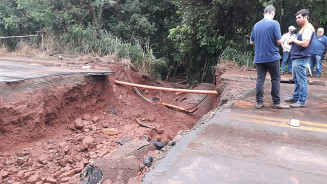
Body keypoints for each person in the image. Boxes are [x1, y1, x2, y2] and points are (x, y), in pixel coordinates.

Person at [250, 5, 289, 109]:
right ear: (272, 13)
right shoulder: (274, 23)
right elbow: (278, 41)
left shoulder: (256, 25)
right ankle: (276, 102)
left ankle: (259, 102)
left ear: (264, 13)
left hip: (259, 58)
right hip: (272, 57)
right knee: (275, 79)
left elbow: (252, 42)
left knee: (260, 80)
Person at [285, 9, 315, 108]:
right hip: (297, 58)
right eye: (296, 18)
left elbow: (305, 43)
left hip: (301, 58)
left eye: (299, 18)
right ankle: (296, 96)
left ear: (305, 17)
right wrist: (293, 41)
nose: (297, 20)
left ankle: (302, 101)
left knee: (301, 80)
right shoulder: (303, 28)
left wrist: (293, 40)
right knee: (296, 79)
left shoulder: (307, 28)